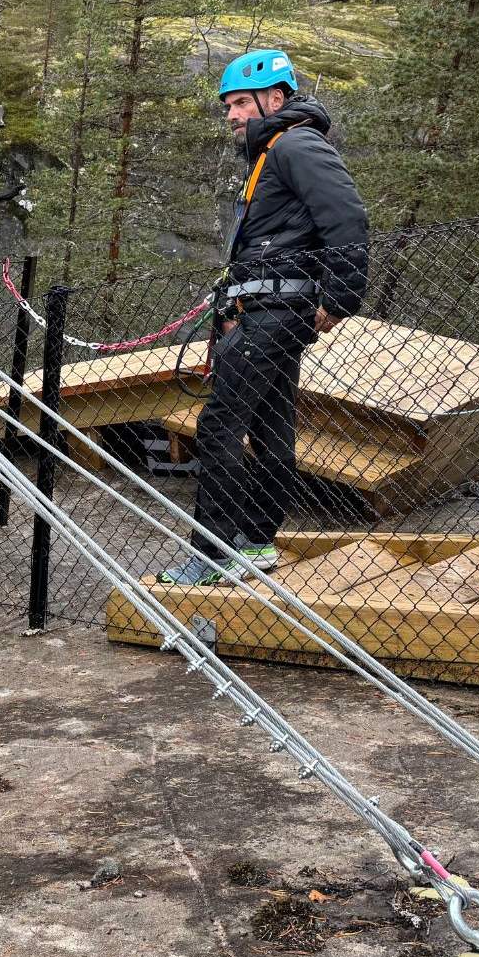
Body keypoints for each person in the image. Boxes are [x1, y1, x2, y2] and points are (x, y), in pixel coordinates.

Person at [156, 49, 369, 586]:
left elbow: (347, 216)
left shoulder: (296, 145)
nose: (231, 115)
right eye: (228, 105)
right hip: (268, 307)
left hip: (275, 312)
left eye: (241, 103)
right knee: (270, 423)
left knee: (220, 424)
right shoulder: (276, 150)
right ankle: (256, 542)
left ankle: (213, 553)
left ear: (276, 99)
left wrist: (342, 296)